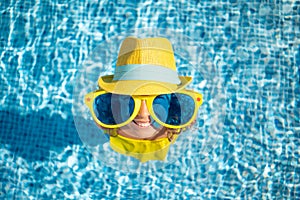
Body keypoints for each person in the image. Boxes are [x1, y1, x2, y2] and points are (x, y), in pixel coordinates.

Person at [84, 37, 203, 162]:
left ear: (173, 101)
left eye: (157, 98)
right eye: (129, 98)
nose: (143, 114)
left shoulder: (173, 124)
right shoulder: (110, 121)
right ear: (115, 100)